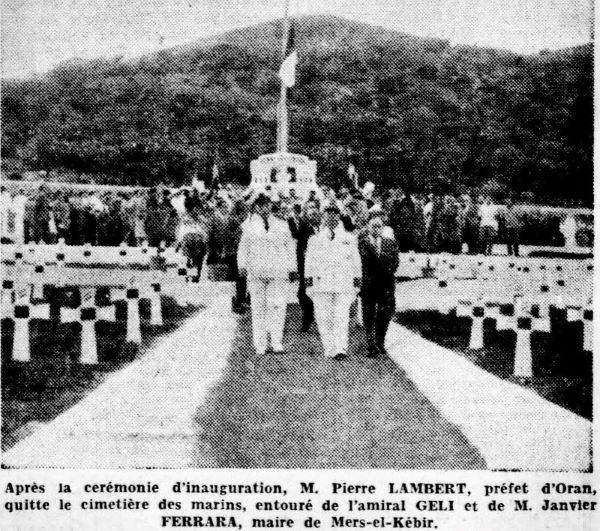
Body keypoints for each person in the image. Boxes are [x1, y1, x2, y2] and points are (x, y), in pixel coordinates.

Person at [237, 193, 295, 355]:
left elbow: (290, 247)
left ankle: (276, 342)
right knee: (258, 308)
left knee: (277, 306)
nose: (264, 208)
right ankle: (260, 344)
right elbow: (243, 248)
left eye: (267, 204)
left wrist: (292, 268)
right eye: (260, 205)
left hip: (277, 271)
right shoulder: (248, 226)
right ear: (256, 207)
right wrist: (242, 265)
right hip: (257, 271)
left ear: (271, 205)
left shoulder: (282, 224)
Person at [305, 202, 361, 360]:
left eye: (334, 213)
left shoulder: (349, 238)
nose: (331, 216)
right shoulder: (315, 239)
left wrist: (357, 282)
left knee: (341, 316)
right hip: (322, 284)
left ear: (339, 215)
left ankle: (341, 348)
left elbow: (356, 261)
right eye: (328, 213)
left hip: (343, 283)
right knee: (324, 317)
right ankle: (329, 347)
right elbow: (309, 263)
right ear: (323, 216)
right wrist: (308, 284)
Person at [358, 212, 400, 357]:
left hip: (386, 284)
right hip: (368, 284)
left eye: (379, 226)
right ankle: (370, 344)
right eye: (373, 226)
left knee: (385, 313)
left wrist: (386, 273)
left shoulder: (390, 243)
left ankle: (380, 341)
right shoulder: (361, 243)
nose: (376, 229)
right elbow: (359, 264)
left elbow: (395, 262)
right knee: (368, 314)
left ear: (382, 228)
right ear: (368, 227)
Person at [289, 200, 320, 331]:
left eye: (314, 208)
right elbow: (299, 243)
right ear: (306, 212)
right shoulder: (303, 226)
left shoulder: (323, 226)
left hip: (321, 264)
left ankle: (314, 317)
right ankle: (308, 317)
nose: (312, 211)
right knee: (303, 293)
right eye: (309, 209)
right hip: (306, 264)